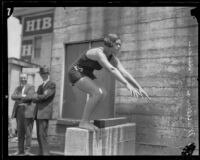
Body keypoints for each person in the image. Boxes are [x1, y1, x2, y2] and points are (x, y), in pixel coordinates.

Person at [68, 33, 150, 132]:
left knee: (103, 93)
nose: (119, 47)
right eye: (117, 44)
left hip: (87, 73)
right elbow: (112, 69)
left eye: (120, 44)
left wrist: (138, 87)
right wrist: (127, 85)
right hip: (76, 71)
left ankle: (87, 119)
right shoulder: (99, 53)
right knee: (97, 93)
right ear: (110, 44)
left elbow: (124, 72)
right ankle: (84, 122)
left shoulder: (112, 57)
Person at [32, 66, 56, 155]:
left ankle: (45, 153)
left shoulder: (51, 84)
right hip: (38, 113)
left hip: (44, 113)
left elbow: (45, 96)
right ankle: (41, 153)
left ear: (48, 74)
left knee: (42, 135)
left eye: (45, 73)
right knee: (39, 135)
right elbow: (35, 99)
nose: (43, 75)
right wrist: (37, 97)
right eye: (42, 74)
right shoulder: (40, 86)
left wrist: (36, 96)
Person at [11, 73, 36, 156]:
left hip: (28, 112)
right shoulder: (18, 88)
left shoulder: (31, 87)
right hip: (19, 112)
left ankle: (27, 151)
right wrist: (22, 96)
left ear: (27, 78)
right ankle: (20, 150)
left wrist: (20, 97)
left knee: (28, 133)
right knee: (20, 132)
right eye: (21, 78)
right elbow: (12, 96)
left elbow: (30, 97)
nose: (23, 79)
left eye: (24, 78)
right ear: (19, 79)